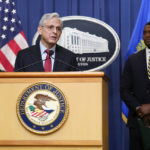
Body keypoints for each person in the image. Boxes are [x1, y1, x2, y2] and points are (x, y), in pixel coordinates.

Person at [120, 22, 150, 150]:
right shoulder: (133, 59)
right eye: (145, 32)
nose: (147, 35)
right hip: (138, 122)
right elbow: (124, 90)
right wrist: (139, 108)